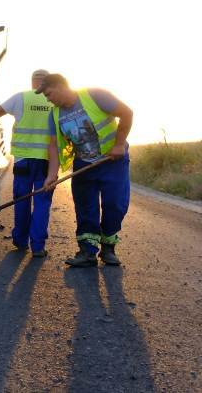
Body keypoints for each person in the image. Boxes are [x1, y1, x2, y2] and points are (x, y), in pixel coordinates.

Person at [38, 74, 134, 267]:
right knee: (85, 209)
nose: (48, 99)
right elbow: (54, 145)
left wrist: (119, 144)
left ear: (60, 86)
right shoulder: (54, 114)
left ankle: (108, 248)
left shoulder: (95, 95)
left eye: (48, 94)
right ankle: (87, 252)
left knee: (115, 205)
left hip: (112, 162)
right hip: (84, 166)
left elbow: (126, 113)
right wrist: (51, 175)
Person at [0, 69, 54, 257]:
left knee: (22, 200)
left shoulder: (21, 98)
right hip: (48, 161)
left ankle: (21, 241)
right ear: (47, 82)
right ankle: (38, 246)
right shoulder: (52, 99)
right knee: (42, 203)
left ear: (32, 82)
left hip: (23, 160)